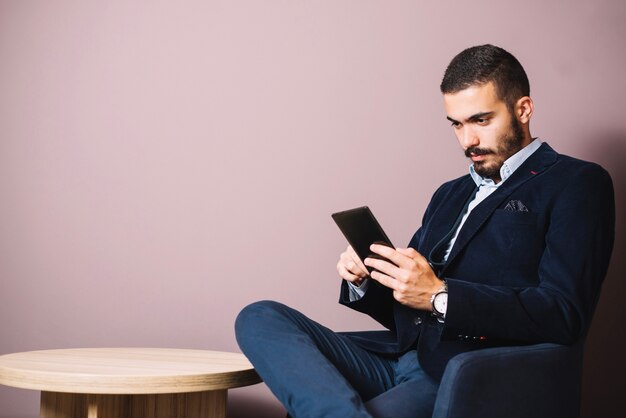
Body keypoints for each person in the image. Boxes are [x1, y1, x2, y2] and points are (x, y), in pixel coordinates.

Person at [234, 44, 615, 418]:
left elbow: (564, 314)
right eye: (457, 125)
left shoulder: (576, 183)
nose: (469, 141)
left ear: (523, 109)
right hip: (395, 358)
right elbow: (408, 309)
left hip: (463, 374)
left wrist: (439, 294)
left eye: (481, 120)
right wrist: (369, 279)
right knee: (259, 317)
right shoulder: (449, 194)